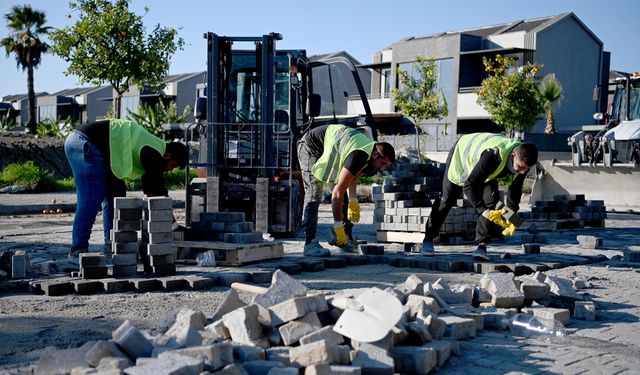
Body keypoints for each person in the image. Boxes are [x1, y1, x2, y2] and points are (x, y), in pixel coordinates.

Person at [64, 119, 188, 261]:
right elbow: (159, 192)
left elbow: (150, 192)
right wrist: (172, 225)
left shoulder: (153, 149)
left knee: (116, 194)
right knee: (91, 197)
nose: (171, 170)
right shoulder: (154, 153)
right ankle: (77, 250)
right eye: (173, 165)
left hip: (105, 152)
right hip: (85, 143)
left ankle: (112, 245)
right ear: (168, 156)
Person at [419, 133, 538, 259]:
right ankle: (428, 239)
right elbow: (469, 186)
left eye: (526, 169)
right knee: (446, 199)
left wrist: (512, 217)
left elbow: (515, 190)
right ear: (513, 156)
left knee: (492, 203)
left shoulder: (523, 161)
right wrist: (483, 210)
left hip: (486, 169)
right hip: (462, 155)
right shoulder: (492, 156)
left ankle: (482, 246)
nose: (522, 171)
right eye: (520, 167)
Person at [298, 124, 395, 256]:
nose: (382, 169)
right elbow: (337, 193)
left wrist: (353, 201)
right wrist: (337, 225)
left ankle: (345, 239)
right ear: (375, 155)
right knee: (314, 192)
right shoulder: (359, 155)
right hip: (310, 146)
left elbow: (352, 178)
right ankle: (310, 243)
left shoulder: (369, 157)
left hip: (328, 146)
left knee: (342, 188)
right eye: (383, 163)